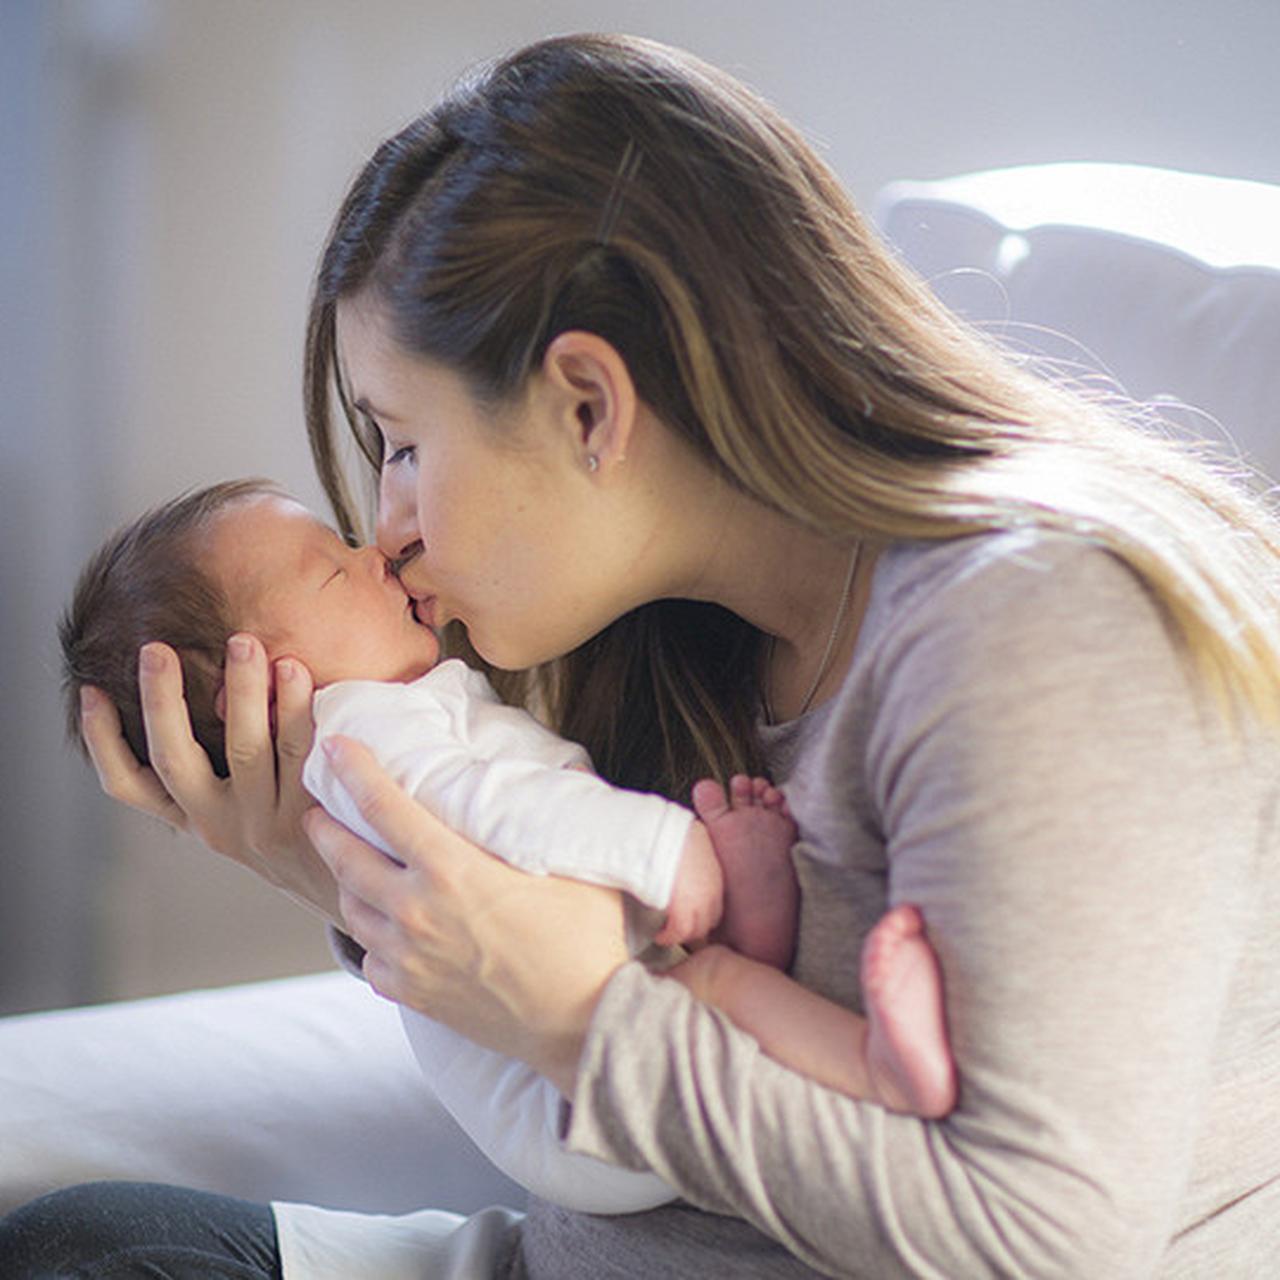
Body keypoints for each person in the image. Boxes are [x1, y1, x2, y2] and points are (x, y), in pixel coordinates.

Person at [5, 28, 1278, 1280]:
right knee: (85, 1246)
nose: (387, 528)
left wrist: (582, 1021)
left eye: (403, 444)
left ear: (588, 404)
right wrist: (329, 857)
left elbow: (1043, 1245)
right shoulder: (673, 634)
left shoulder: (1034, 629)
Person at [52, 477, 956, 1212]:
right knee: (712, 986)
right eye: (331, 569)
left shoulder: (389, 715)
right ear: (256, 685)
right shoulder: (358, 731)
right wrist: (666, 848)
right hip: (573, 1113)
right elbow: (501, 808)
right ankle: (868, 1064)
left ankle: (780, 972)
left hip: (598, 1080)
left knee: (713, 983)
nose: (376, 550)